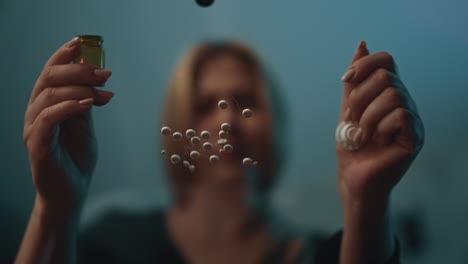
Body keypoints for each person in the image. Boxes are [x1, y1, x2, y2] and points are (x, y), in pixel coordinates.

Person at [14, 37, 424, 264]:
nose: (226, 121)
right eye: (204, 104)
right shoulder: (111, 238)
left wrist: (365, 200)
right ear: (178, 124)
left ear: (274, 122)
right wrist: (56, 207)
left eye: (245, 99)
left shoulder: (321, 254)